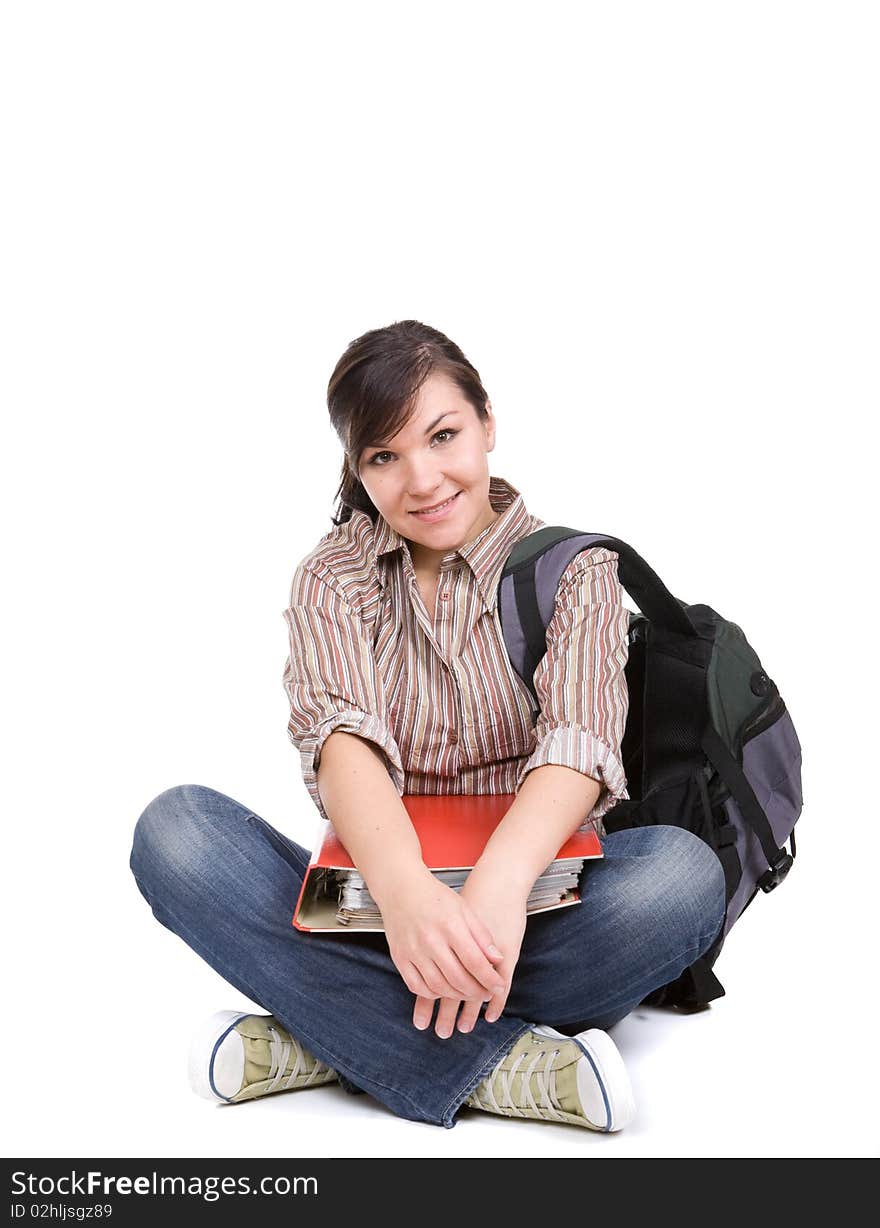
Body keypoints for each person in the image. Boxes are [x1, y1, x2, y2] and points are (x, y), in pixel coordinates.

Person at [130, 319, 726, 1133]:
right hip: (377, 914)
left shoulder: (575, 569)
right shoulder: (333, 579)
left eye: (443, 436)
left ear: (487, 423)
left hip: (530, 914)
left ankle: (324, 1034)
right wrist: (408, 896)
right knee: (176, 832)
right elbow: (341, 743)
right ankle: (508, 1066)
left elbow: (579, 744)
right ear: (358, 469)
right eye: (384, 456)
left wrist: (498, 891)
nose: (422, 479)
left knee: (683, 879)